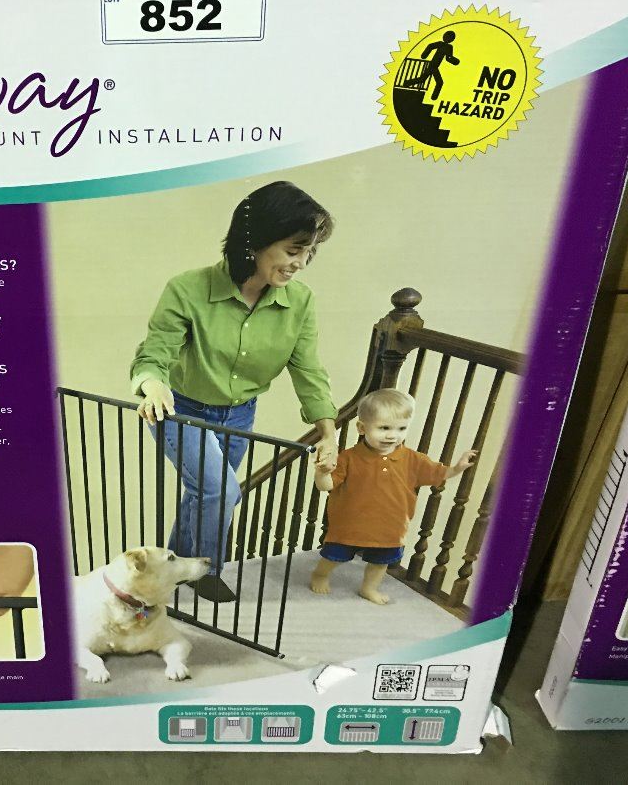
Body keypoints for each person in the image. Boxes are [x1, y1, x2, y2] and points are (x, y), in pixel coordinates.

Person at [131, 180, 338, 603]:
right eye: (293, 250)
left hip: (240, 414)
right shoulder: (188, 289)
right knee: (220, 492)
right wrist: (152, 385)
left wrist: (328, 431)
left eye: (309, 252)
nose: (301, 263)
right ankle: (207, 572)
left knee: (204, 495)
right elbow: (155, 352)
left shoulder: (300, 302)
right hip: (179, 409)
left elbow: (308, 369)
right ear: (255, 241)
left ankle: (168, 570)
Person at [310, 388, 477, 604]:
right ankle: (320, 574)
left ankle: (369, 588)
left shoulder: (413, 459)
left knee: (380, 562)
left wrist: (457, 468)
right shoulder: (349, 458)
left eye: (401, 428)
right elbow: (326, 486)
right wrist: (322, 473)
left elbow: (439, 473)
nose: (392, 435)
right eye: (384, 428)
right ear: (362, 428)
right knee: (334, 556)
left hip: (390, 527)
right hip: (349, 525)